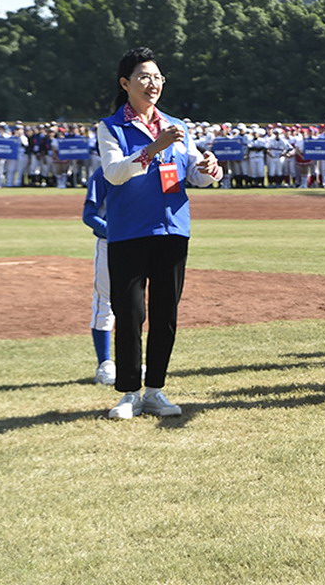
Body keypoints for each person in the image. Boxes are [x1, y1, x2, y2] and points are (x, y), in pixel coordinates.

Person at [98, 47, 223, 419]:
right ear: (125, 83)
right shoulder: (110, 127)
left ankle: (155, 390)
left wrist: (209, 169)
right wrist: (155, 147)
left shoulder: (177, 126)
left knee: (166, 314)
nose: (152, 83)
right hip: (129, 232)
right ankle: (129, 393)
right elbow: (114, 173)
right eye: (144, 77)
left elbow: (193, 173)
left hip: (173, 230)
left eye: (157, 77)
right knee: (130, 313)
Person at [82, 166, 115, 385]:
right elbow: (89, 215)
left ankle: (131, 359)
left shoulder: (148, 169)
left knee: (135, 305)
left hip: (141, 245)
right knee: (105, 301)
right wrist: (116, 233)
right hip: (109, 244)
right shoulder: (104, 172)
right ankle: (105, 363)